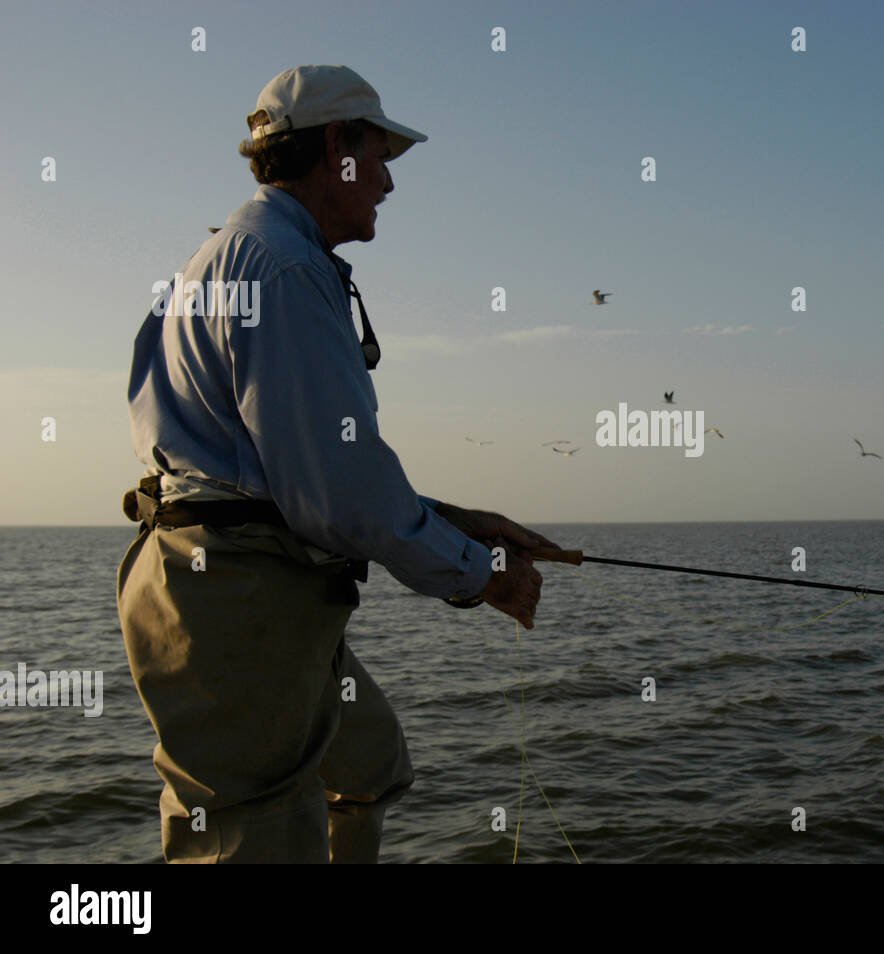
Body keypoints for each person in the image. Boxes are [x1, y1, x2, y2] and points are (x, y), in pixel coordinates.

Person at [116, 65, 556, 863]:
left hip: (222, 581)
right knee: (254, 834)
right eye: (379, 155)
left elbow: (272, 468)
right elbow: (338, 494)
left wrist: (460, 521)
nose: (388, 181)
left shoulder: (218, 260)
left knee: (369, 766)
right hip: (240, 604)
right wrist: (482, 572)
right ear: (335, 150)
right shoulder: (283, 272)